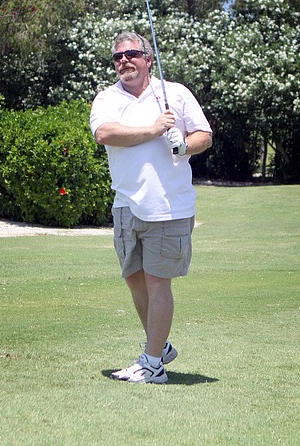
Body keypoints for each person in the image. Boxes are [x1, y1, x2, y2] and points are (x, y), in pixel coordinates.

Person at [89, 31, 213, 384]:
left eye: (131, 54)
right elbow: (106, 134)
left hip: (168, 205)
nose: (124, 61)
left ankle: (153, 363)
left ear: (148, 59)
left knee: (159, 282)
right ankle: (160, 345)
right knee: (134, 280)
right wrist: (154, 129)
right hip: (126, 203)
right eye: (117, 57)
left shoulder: (175, 93)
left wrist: (183, 146)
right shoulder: (107, 98)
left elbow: (204, 135)